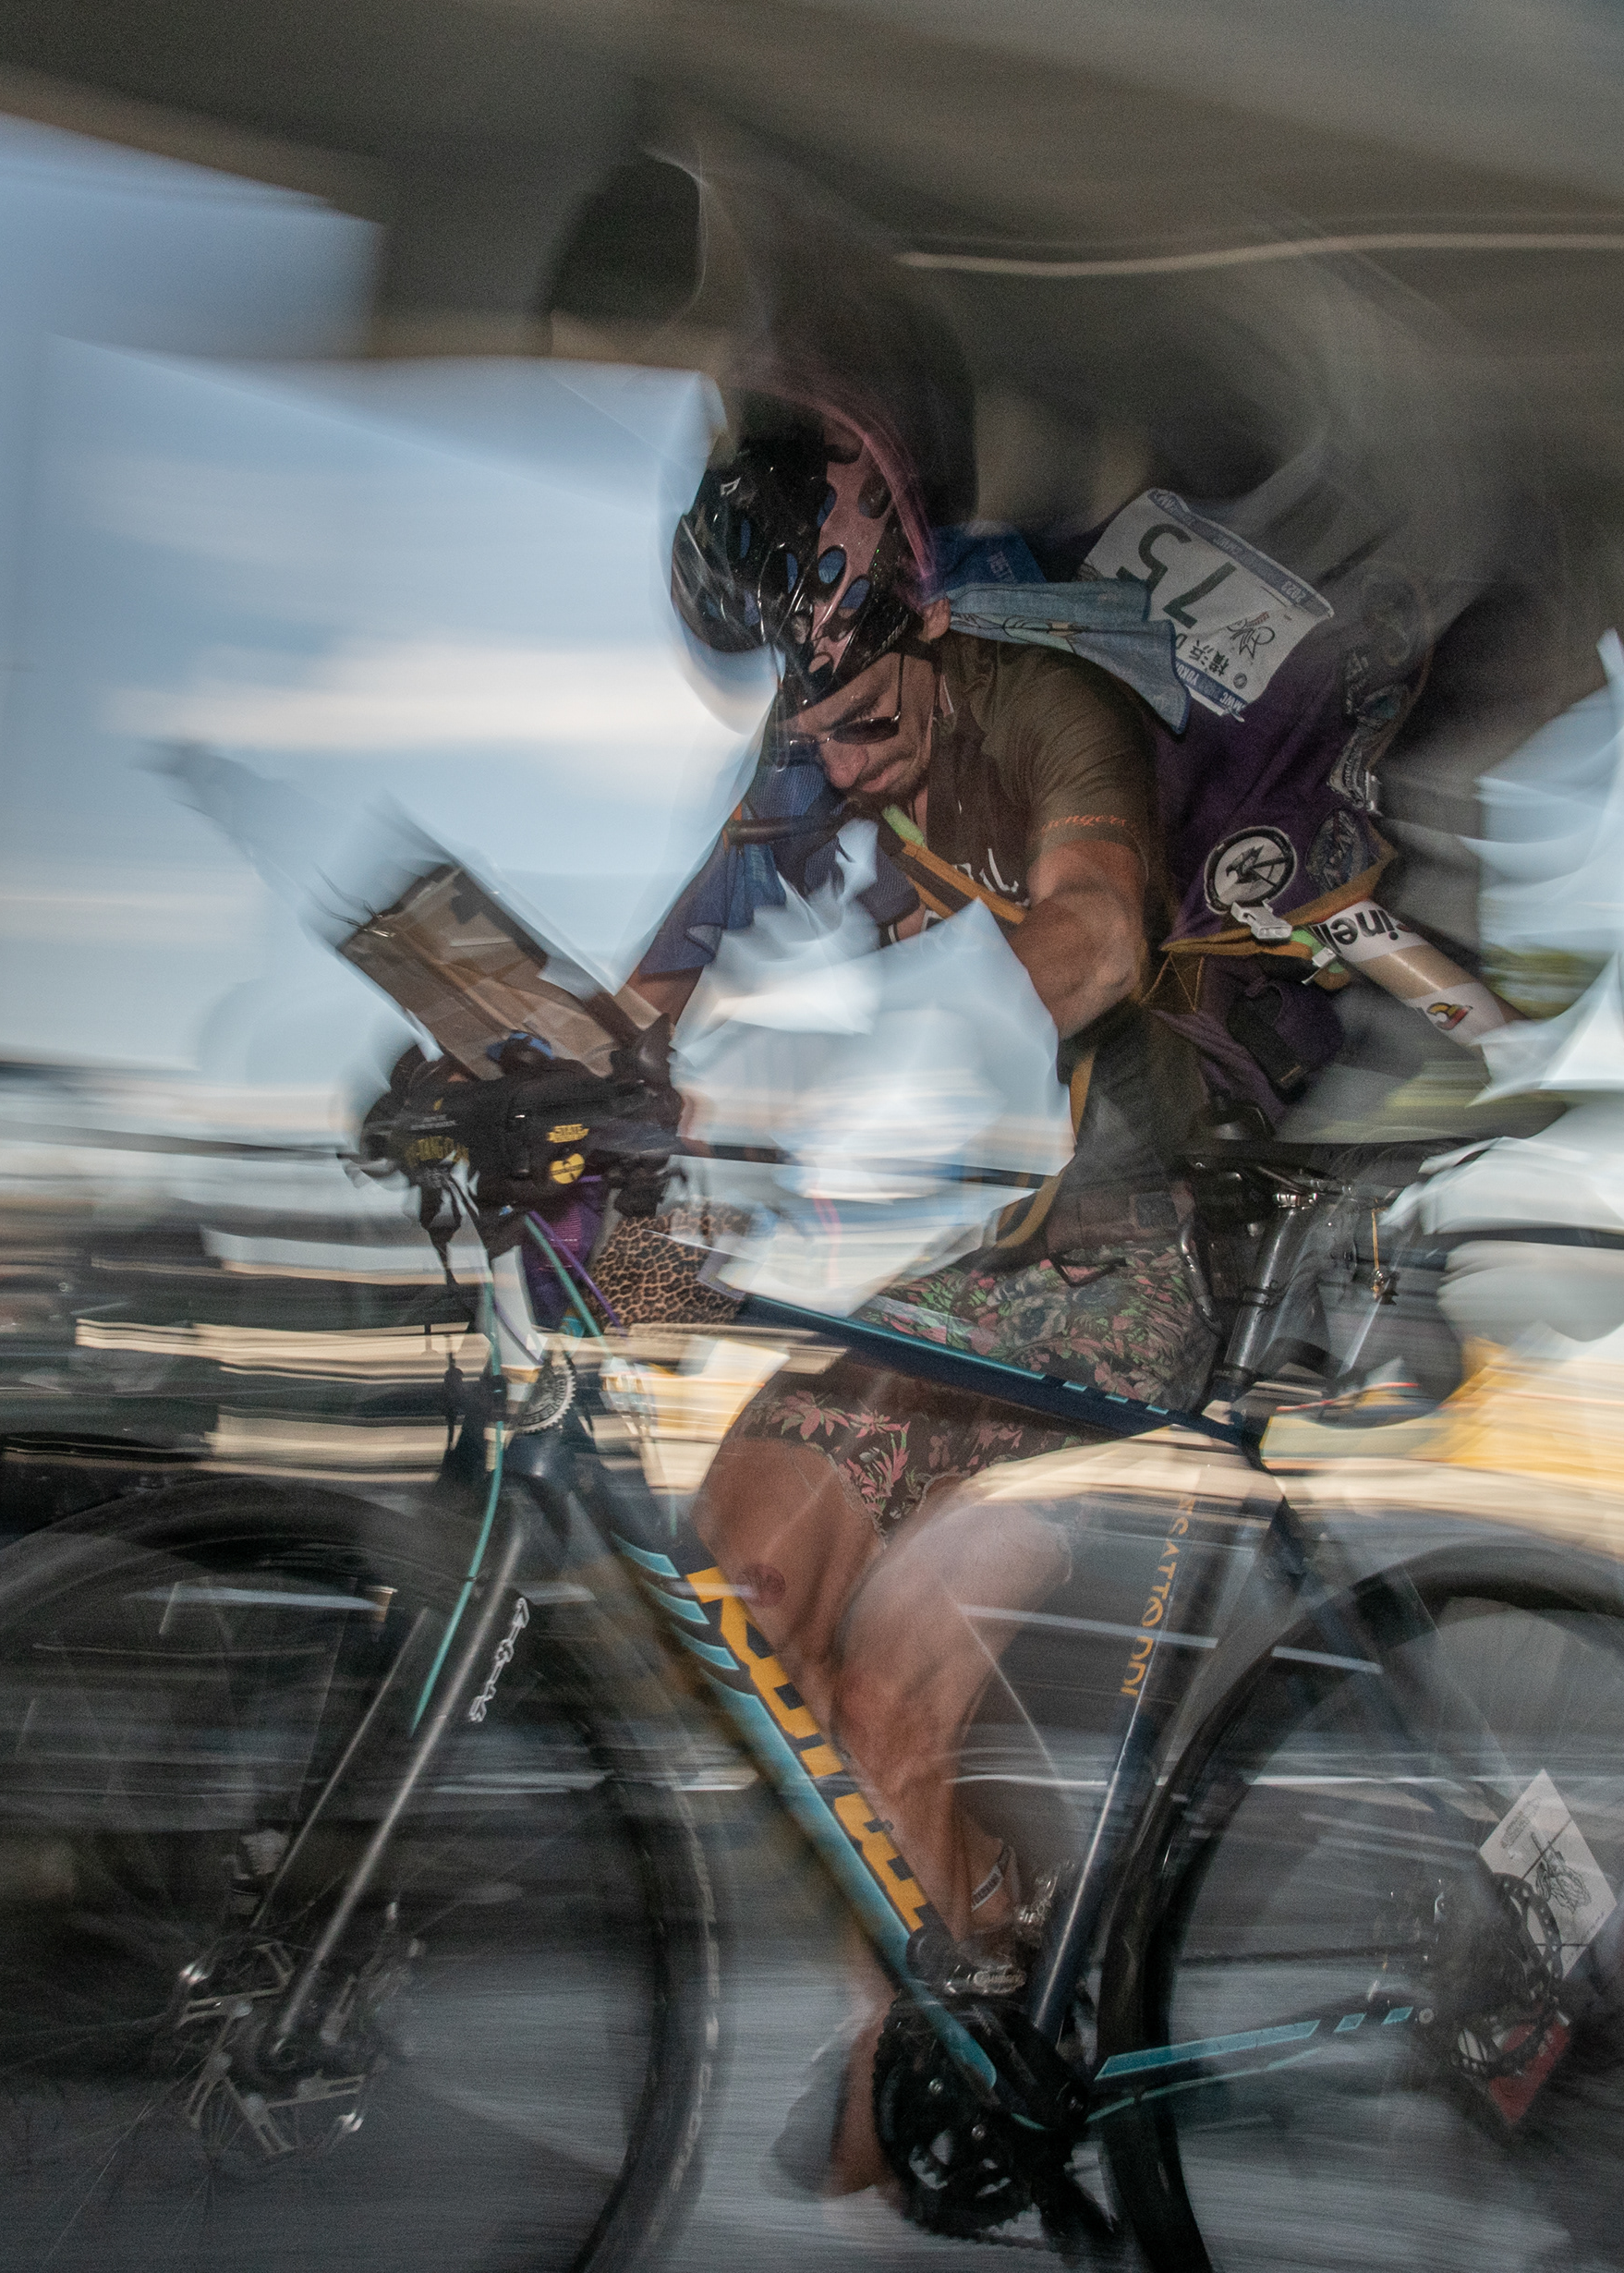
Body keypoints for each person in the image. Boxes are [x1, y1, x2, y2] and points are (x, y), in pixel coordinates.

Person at [625, 391, 1218, 2196]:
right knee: (746, 1588)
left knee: (880, 1675)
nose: (837, 757)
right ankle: (976, 1972)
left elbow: (1095, 933)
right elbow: (643, 1017)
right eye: (801, 724)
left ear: (925, 622)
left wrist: (843, 1102)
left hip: (1125, 1269)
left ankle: (940, 2017)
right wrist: (507, 1074)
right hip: (964, 1288)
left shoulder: (1042, 703)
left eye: (866, 713)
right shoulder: (801, 762)